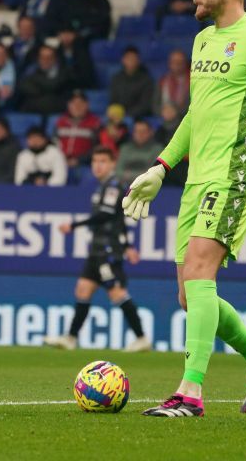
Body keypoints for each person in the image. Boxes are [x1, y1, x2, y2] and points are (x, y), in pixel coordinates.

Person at [120, 0, 246, 418]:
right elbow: (196, 115)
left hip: (235, 177)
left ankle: (190, 393)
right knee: (190, 295)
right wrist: (161, 166)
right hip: (197, 179)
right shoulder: (202, 41)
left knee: (199, 273)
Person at [43, 146, 151, 352]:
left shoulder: (114, 186)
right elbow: (119, 219)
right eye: (94, 161)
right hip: (97, 249)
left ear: (112, 164)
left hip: (108, 251)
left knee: (117, 293)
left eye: (103, 161)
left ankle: (142, 338)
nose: (97, 166)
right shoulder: (101, 186)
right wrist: (128, 245)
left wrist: (74, 225)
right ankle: (70, 338)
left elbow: (106, 214)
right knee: (83, 288)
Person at [17, 44, 74, 115]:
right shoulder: (32, 70)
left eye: (49, 57)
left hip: (56, 113)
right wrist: (47, 88)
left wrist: (37, 83)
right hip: (33, 112)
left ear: (55, 58)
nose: (45, 60)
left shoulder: (64, 72)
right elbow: (23, 85)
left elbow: (53, 85)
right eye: (42, 57)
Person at [55, 90, 101, 167]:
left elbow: (96, 148)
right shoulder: (60, 122)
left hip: (84, 165)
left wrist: (79, 160)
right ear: (69, 105)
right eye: (73, 103)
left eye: (80, 103)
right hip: (59, 163)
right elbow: (53, 143)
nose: (77, 106)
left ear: (87, 105)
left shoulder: (95, 123)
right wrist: (60, 159)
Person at [109, 46, 155, 118]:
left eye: (133, 58)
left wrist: (127, 115)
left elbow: (146, 105)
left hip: (139, 117)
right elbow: (113, 101)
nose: (131, 61)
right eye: (128, 58)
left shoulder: (146, 80)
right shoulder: (116, 79)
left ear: (139, 61)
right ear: (123, 60)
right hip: (119, 116)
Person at [115, 119, 160, 183]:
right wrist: (142, 174)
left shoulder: (157, 149)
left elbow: (152, 174)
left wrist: (128, 175)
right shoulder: (125, 148)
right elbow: (118, 172)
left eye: (143, 131)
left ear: (150, 132)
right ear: (133, 133)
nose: (140, 134)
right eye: (137, 131)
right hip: (124, 185)